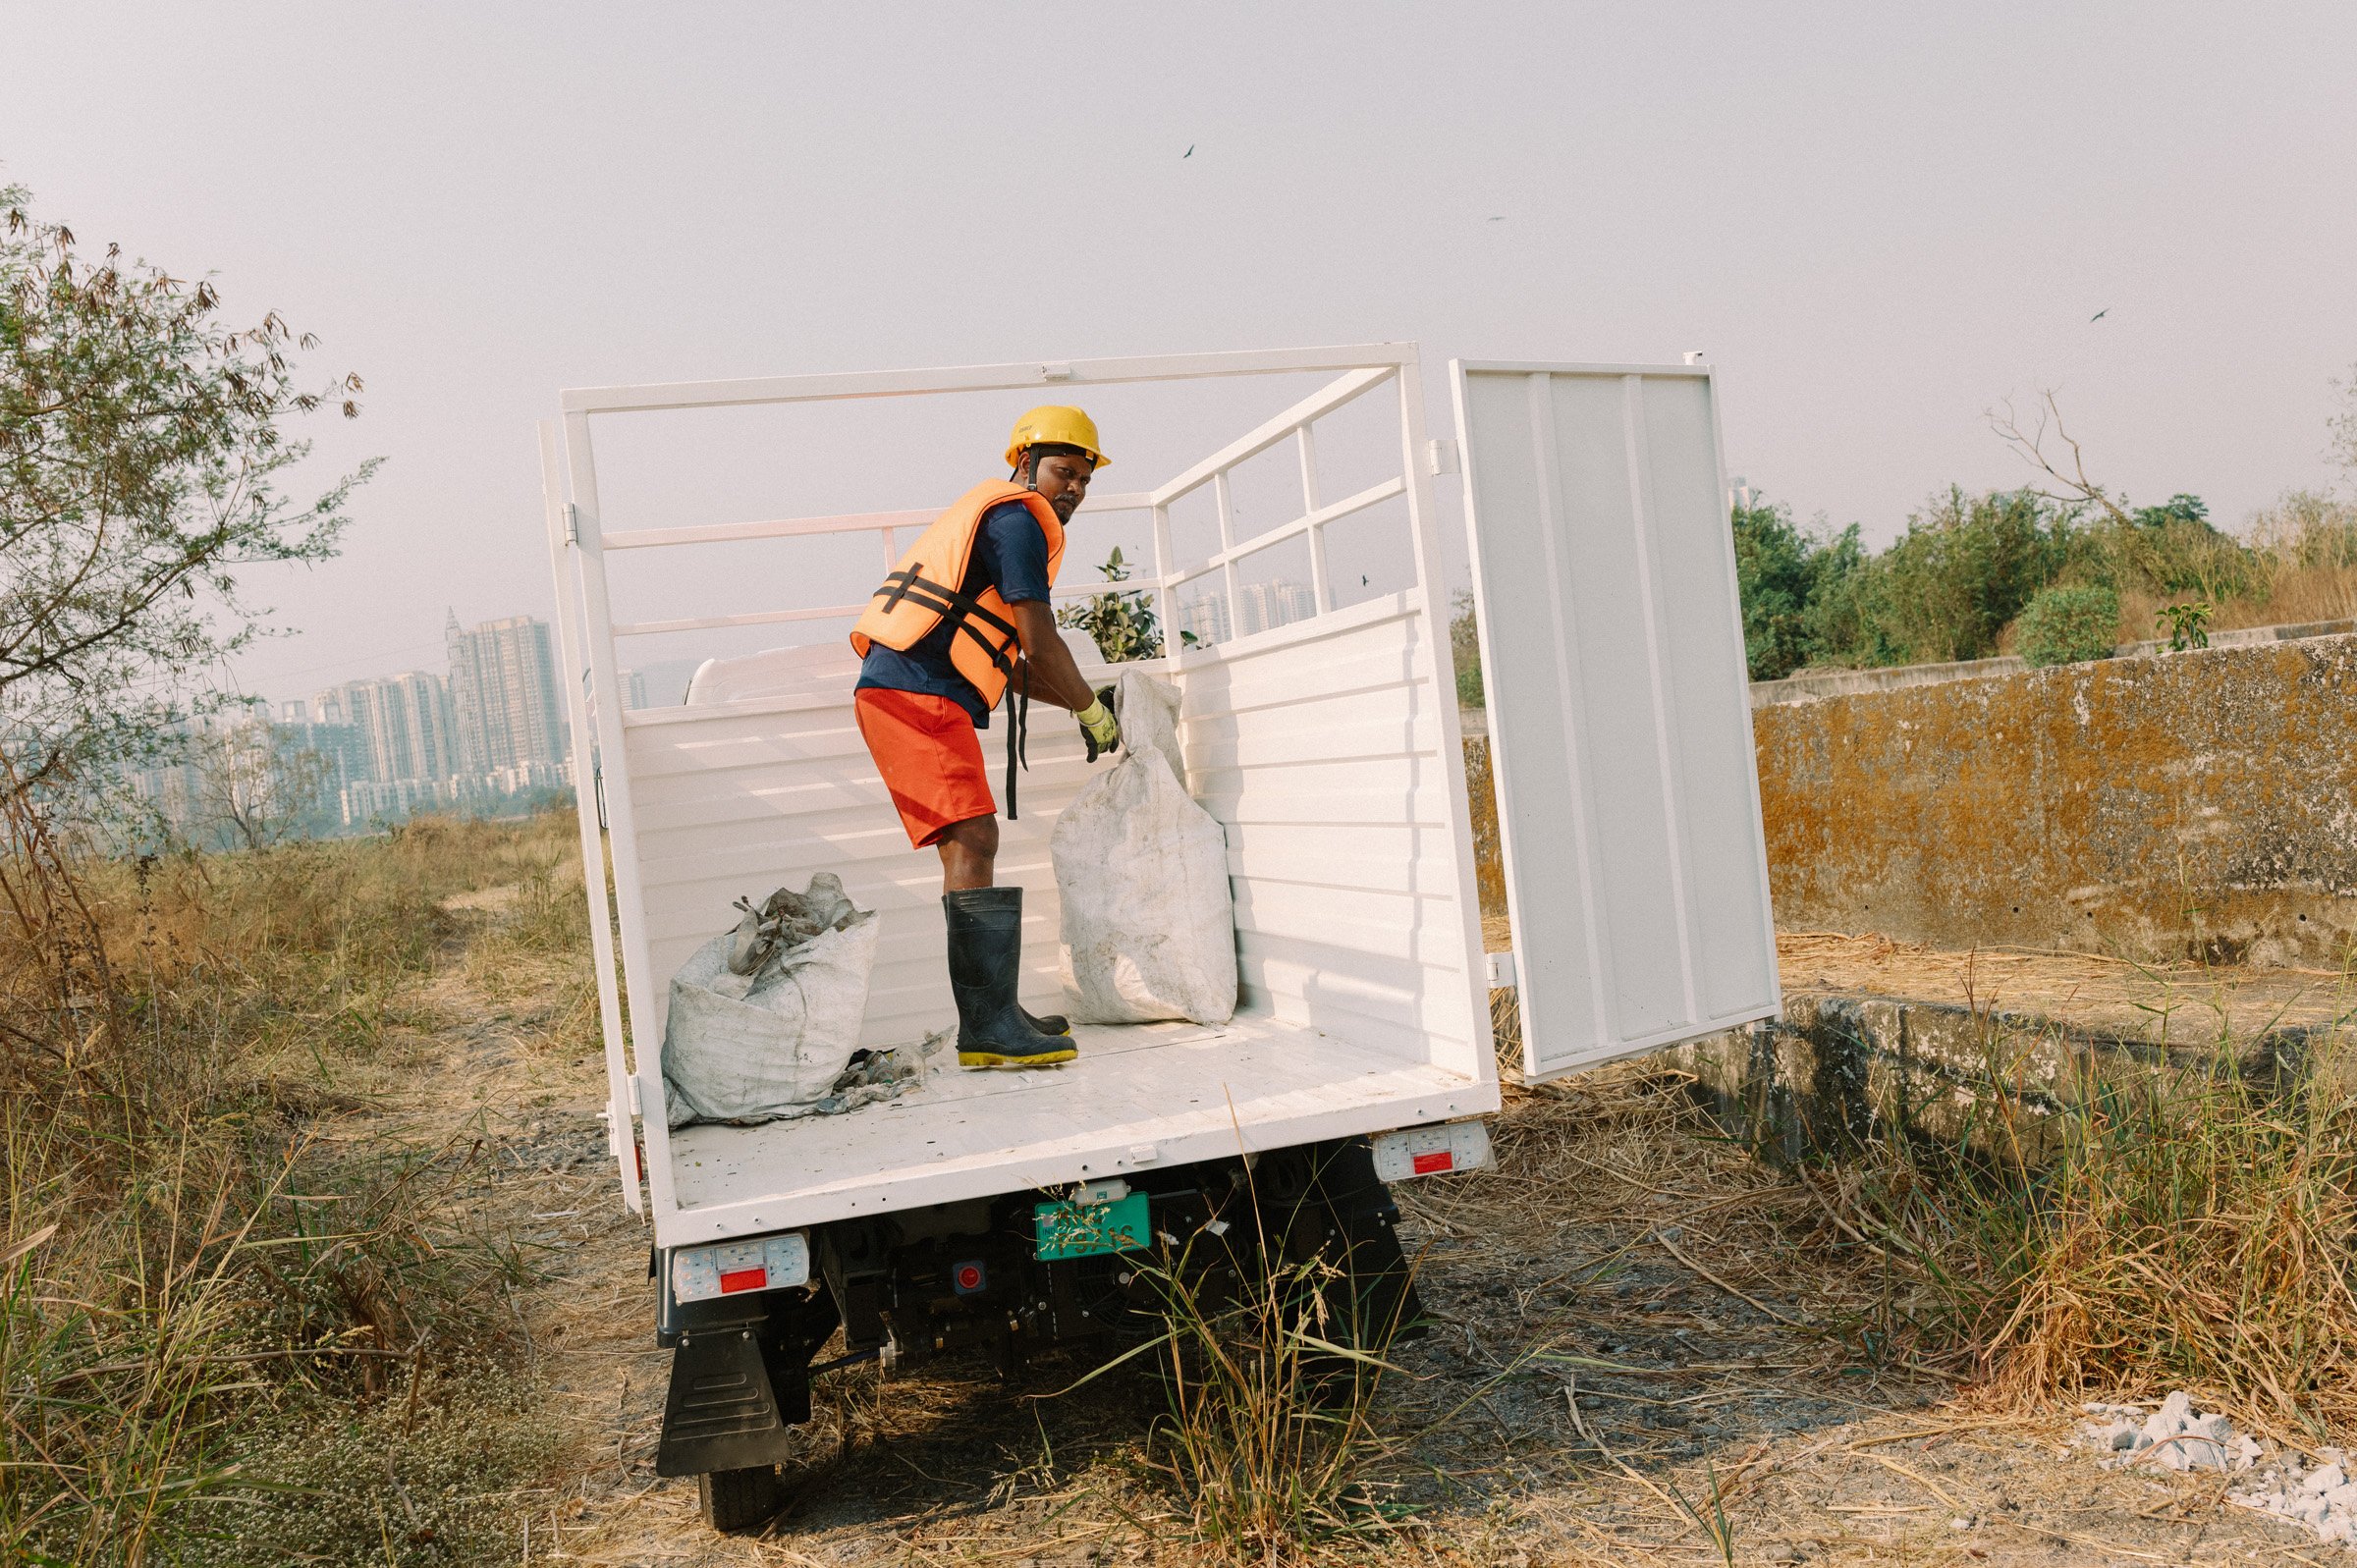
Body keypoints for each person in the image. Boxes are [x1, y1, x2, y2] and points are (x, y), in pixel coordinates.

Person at [849, 406, 1123, 1069]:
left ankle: (993, 1015)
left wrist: (1081, 702)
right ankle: (988, 1026)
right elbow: (1036, 637)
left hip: (911, 684)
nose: (1074, 490)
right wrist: (1090, 709)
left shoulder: (1001, 517)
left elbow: (1009, 662)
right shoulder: (1018, 521)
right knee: (974, 839)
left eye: (1085, 481)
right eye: (1065, 472)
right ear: (1024, 463)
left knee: (967, 843)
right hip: (917, 689)